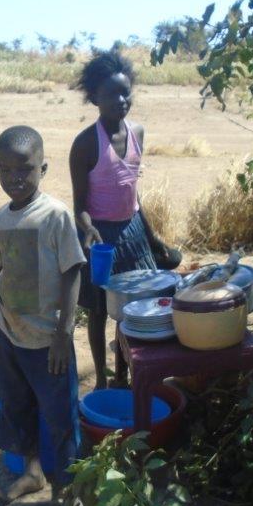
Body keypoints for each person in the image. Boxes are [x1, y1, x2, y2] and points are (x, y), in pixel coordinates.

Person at [0, 125, 89, 506]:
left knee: (62, 421)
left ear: (43, 168)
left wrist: (65, 333)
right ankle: (31, 473)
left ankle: (71, 501)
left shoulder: (55, 215)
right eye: (5, 169)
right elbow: (1, 269)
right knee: (18, 408)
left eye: (24, 169)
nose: (14, 177)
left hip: (48, 344)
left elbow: (72, 271)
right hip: (11, 337)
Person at [69, 51, 179, 391]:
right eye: (112, 94)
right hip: (100, 240)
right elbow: (79, 206)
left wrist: (154, 239)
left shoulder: (138, 133)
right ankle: (103, 378)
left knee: (136, 310)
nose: (121, 100)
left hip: (132, 233)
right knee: (100, 312)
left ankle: (125, 374)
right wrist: (89, 231)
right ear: (94, 98)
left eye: (125, 92)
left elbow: (133, 195)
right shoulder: (86, 144)